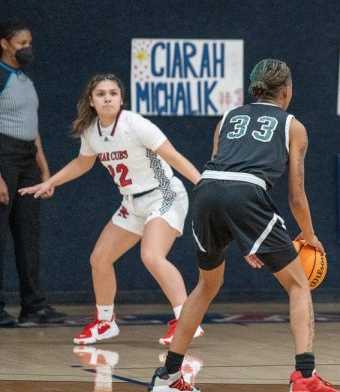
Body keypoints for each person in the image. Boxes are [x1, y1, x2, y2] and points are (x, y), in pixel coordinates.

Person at [149, 59, 340, 392]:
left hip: (207, 192)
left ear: (253, 89)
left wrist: (244, 238)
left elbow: (218, 166)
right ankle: (304, 377)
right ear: (286, 91)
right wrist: (309, 234)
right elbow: (296, 196)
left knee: (207, 284)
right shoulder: (292, 125)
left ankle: (168, 374)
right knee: (298, 284)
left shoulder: (228, 118)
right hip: (246, 194)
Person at [20, 74, 204, 345]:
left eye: (113, 93)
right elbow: (82, 164)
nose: (107, 98)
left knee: (152, 256)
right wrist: (50, 182)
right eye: (101, 94)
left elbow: (173, 156)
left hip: (163, 195)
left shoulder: (135, 124)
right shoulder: (92, 131)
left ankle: (186, 321)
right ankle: (105, 322)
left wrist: (203, 185)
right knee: (100, 258)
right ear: (92, 101)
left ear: (121, 99)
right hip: (132, 202)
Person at [0, 18, 64, 326]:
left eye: (29, 43)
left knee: (28, 234)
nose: (27, 48)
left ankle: (33, 305)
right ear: (5, 43)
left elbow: (33, 128)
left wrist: (45, 171)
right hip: (4, 157)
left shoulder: (25, 80)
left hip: (27, 159)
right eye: (21, 43)